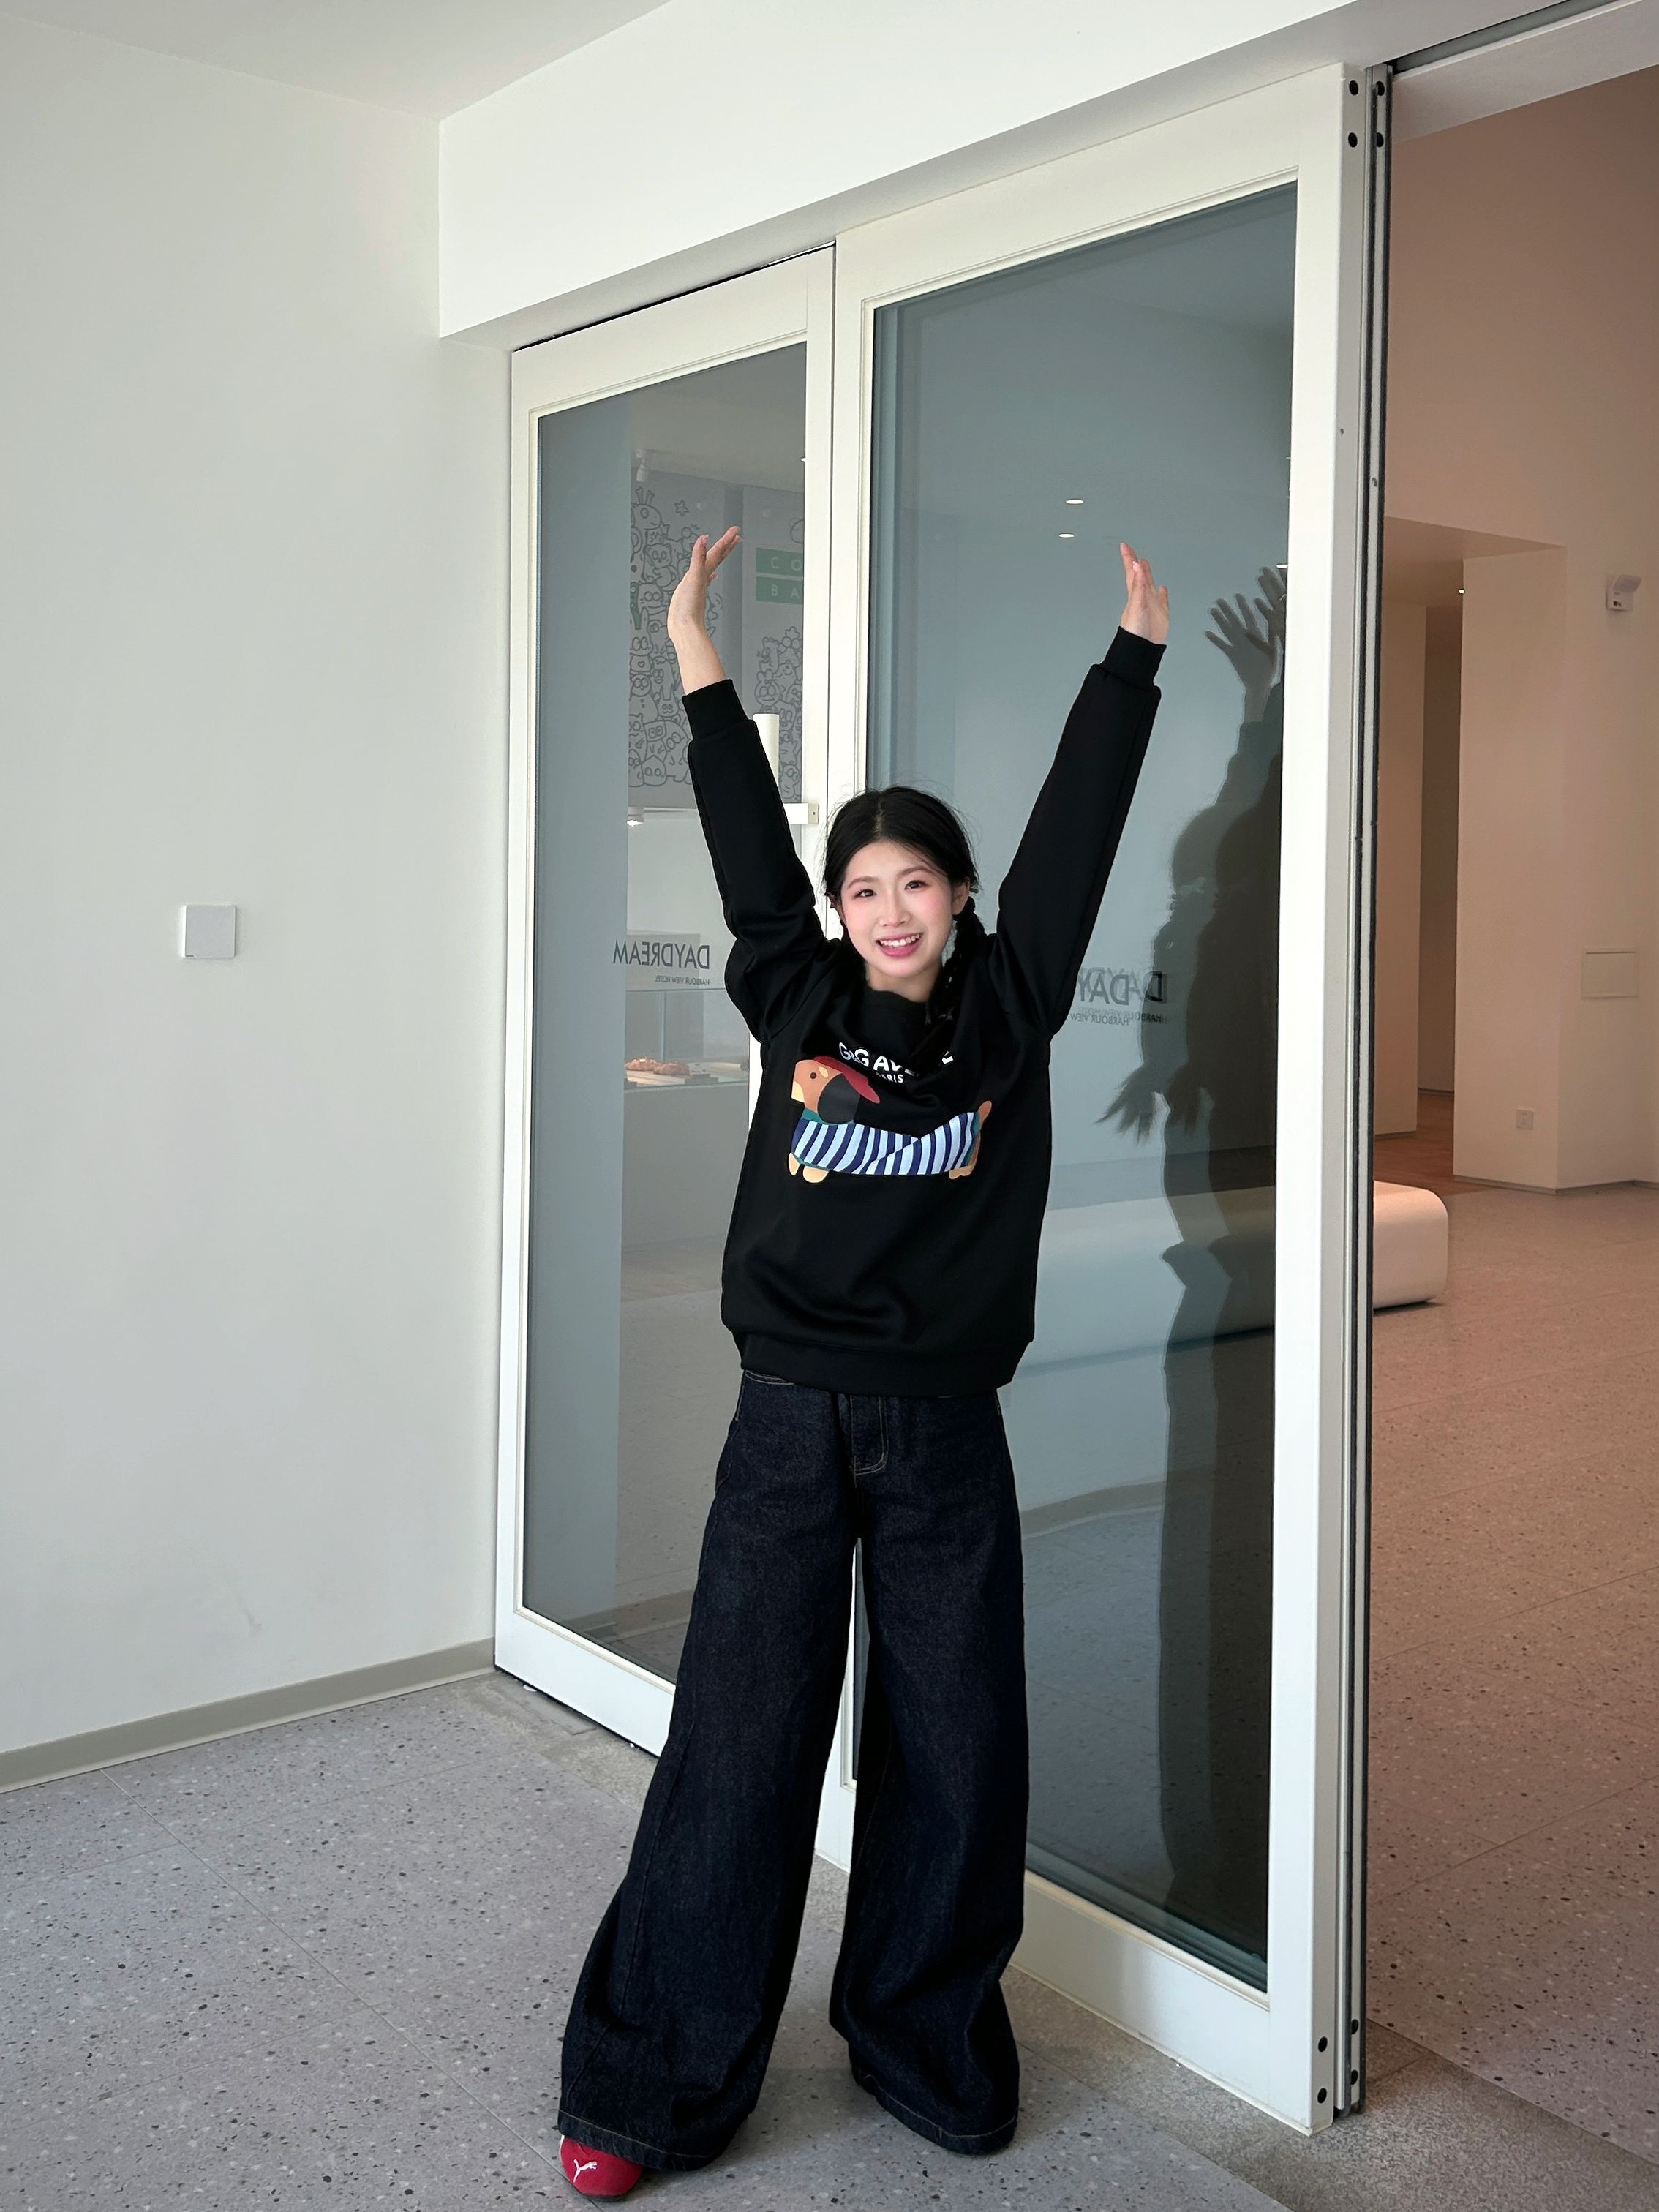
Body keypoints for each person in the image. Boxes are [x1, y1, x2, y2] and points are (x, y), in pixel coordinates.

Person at [557, 530, 1170, 2198]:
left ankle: (921, 2037)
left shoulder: (1013, 1008)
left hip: (946, 1425)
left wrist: (1130, 660)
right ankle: (653, 2080)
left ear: (960, 897)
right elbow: (744, 839)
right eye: (864, 890)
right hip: (788, 1416)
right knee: (743, 1736)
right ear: (839, 913)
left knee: (955, 1744)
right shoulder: (796, 991)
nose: (889, 913)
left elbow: (1078, 835)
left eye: (917, 884)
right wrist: (693, 650)